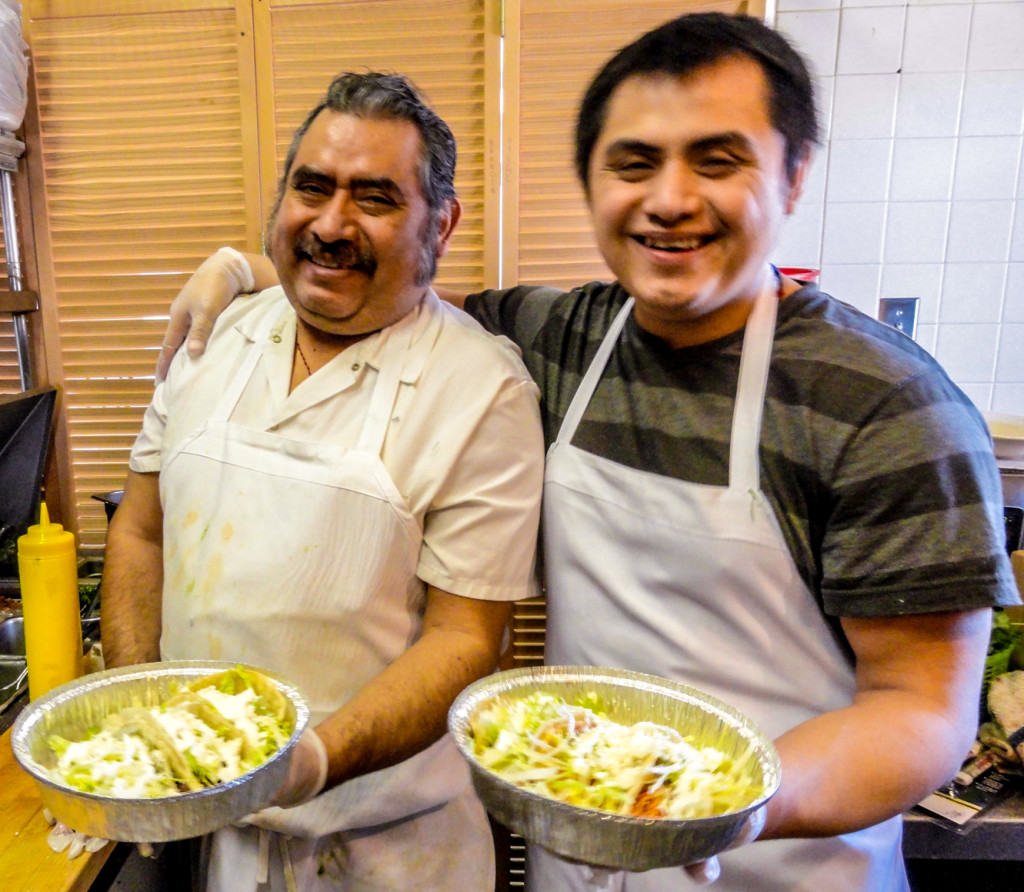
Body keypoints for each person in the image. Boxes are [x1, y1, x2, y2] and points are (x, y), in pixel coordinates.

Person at [160, 13, 1020, 892]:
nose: (671, 199)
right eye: (634, 163)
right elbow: (386, 271)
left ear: (793, 176)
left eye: (718, 161)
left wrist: (727, 803)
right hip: (579, 866)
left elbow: (921, 711)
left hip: (780, 864)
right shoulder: (563, 336)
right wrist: (245, 268)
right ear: (593, 182)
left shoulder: (885, 405)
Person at [101, 71, 545, 892]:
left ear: (439, 224)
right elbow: (141, 528)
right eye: (311, 187)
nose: (330, 224)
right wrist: (137, 705)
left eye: (374, 198)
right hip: (210, 835)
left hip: (387, 851)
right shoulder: (217, 333)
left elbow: (468, 638)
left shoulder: (483, 390)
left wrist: (311, 761)